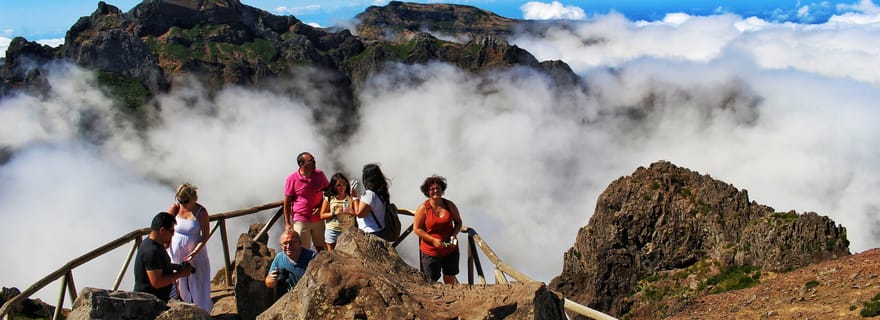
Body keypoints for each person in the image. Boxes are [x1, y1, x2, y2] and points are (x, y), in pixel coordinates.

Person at [166, 183, 213, 312]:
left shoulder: (200, 212)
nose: (182, 204)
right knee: (178, 282)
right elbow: (164, 224)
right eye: (179, 200)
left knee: (197, 282)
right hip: (176, 252)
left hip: (195, 253)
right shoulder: (175, 208)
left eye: (185, 201)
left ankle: (201, 310)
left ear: (193, 199)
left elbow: (205, 235)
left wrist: (195, 251)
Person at [413, 175, 463, 284]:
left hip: (450, 249)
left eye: (438, 188)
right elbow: (416, 229)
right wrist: (432, 240)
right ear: (427, 191)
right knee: (431, 282)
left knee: (450, 278)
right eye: (432, 189)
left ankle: (451, 298)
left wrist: (454, 235)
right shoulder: (423, 208)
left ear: (442, 190)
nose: (435, 191)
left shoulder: (449, 205)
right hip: (431, 251)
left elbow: (458, 222)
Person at [134, 212, 194, 301]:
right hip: (150, 303)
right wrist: (180, 274)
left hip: (157, 299)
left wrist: (178, 267)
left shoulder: (153, 243)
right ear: (162, 230)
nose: (173, 234)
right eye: (171, 231)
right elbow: (157, 282)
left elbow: (161, 265)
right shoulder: (152, 251)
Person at [284, 152, 330, 252]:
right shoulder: (292, 179)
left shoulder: (320, 175)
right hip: (301, 219)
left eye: (313, 160)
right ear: (301, 164)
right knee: (302, 250)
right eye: (310, 161)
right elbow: (287, 203)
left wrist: (321, 207)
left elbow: (328, 192)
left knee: (322, 247)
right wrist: (287, 223)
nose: (314, 162)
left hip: (318, 218)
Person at [319, 172, 359, 251]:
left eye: (344, 184)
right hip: (333, 231)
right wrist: (334, 213)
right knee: (333, 256)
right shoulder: (329, 197)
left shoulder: (350, 196)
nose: (342, 187)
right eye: (339, 185)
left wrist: (352, 212)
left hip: (348, 231)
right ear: (334, 186)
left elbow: (358, 212)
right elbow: (322, 215)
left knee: (348, 256)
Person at [354, 163, 390, 237]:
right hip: (380, 230)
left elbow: (360, 214)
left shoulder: (369, 194)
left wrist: (355, 197)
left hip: (370, 232)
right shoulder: (381, 191)